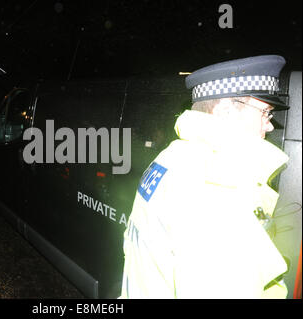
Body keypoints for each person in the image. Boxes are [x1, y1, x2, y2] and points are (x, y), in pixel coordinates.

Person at [120, 55, 291, 299]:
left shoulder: (173, 156)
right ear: (225, 112)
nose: (270, 125)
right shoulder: (218, 189)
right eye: (265, 112)